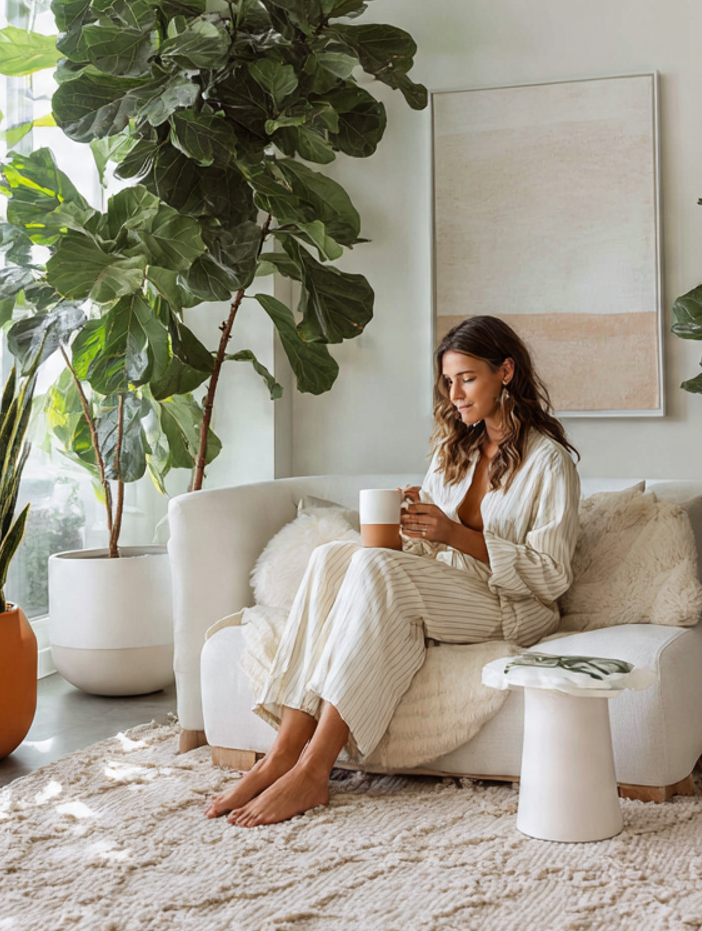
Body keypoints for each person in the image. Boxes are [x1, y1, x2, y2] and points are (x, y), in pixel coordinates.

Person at [204, 315, 581, 827]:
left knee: (376, 566)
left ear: (506, 372)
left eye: (467, 378)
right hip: (454, 588)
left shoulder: (550, 463)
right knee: (333, 556)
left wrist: (452, 533)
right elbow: (429, 554)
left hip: (513, 605)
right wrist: (415, 525)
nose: (456, 394)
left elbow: (553, 575)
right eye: (449, 382)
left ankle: (315, 770)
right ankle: (282, 754)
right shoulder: (455, 449)